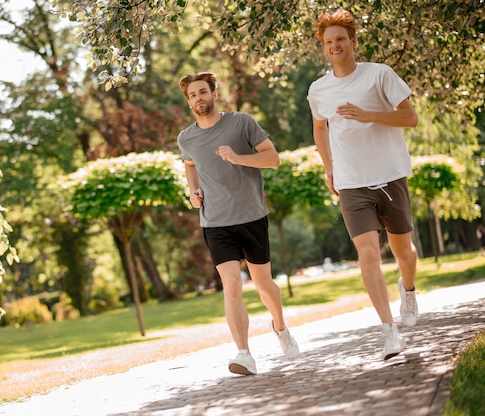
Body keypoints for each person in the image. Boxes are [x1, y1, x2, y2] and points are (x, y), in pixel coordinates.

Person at [307, 9, 419, 360]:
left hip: (390, 174)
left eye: (341, 39)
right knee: (367, 253)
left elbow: (410, 118)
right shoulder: (319, 89)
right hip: (352, 183)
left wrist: (368, 114)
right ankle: (389, 330)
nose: (335, 45)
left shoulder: (379, 75)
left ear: (353, 41)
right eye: (328, 42)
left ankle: (409, 288)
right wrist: (329, 168)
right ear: (323, 49)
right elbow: (319, 127)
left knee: (404, 252)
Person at [177, 72, 299, 375]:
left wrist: (238, 158)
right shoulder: (186, 138)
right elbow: (190, 166)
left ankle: (280, 327)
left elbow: (273, 159)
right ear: (188, 101)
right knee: (230, 285)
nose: (198, 99)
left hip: (251, 215)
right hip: (215, 222)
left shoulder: (241, 122)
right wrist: (193, 192)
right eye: (192, 95)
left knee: (263, 284)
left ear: (214, 94)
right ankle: (244, 353)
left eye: (203, 92)